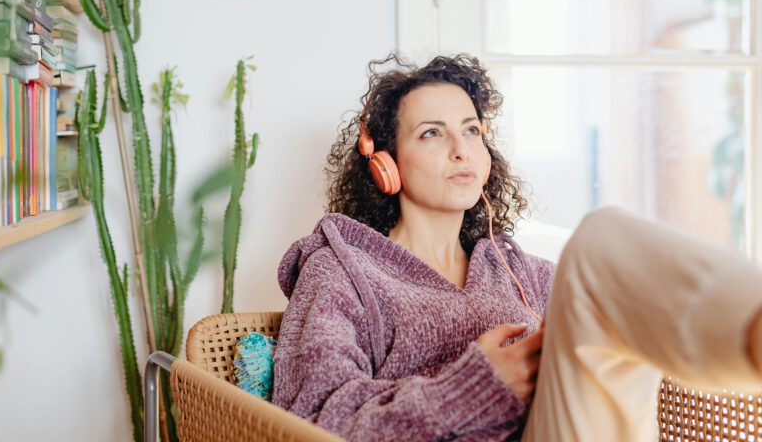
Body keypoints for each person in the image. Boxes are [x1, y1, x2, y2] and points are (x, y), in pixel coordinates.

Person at [271, 53, 762, 441]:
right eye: (431, 133)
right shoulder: (341, 271)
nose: (461, 149)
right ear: (385, 163)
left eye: (471, 130)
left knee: (600, 244)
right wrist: (476, 386)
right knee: (598, 241)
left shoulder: (522, 272)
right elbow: (309, 422)